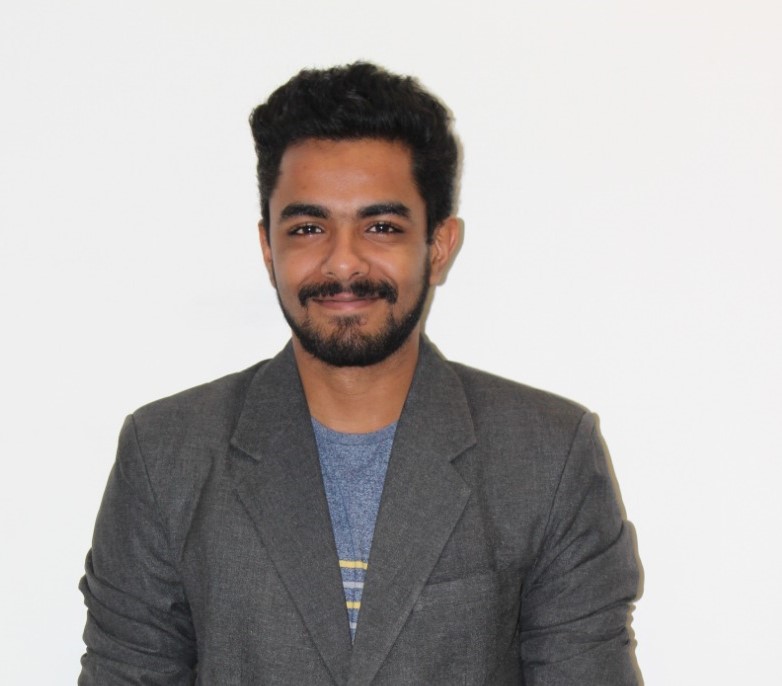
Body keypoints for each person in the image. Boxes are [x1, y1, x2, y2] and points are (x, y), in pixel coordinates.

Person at [79, 62, 640, 685]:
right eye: (308, 228)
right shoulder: (166, 456)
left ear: (439, 246)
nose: (343, 263)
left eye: (381, 227)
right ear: (268, 249)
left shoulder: (548, 457)